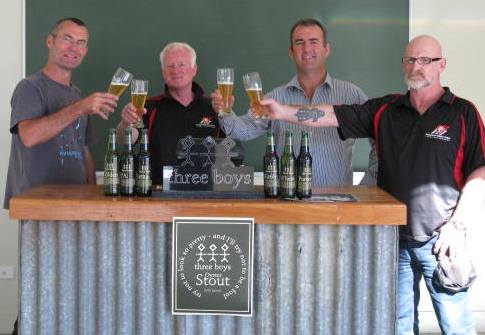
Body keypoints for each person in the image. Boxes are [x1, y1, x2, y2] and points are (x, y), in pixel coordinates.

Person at [261, 35, 485, 335]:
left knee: (456, 327)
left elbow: (479, 172)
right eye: (409, 60)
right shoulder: (386, 110)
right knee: (397, 326)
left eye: (425, 60)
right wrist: (282, 112)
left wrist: (457, 228)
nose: (416, 66)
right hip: (392, 239)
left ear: (441, 64)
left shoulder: (463, 112)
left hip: (442, 241)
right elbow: (330, 115)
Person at [4, 17, 119, 334]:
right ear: (50, 41)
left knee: (69, 293)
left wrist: (94, 197)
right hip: (41, 208)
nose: (74, 48)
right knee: (40, 294)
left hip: (76, 207)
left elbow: (84, 152)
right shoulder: (31, 87)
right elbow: (28, 135)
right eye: (67, 39)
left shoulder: (77, 93)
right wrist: (80, 108)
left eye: (81, 42)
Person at [211, 18, 377, 186]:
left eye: (314, 42)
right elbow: (243, 131)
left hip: (338, 205)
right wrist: (225, 112)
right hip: (288, 203)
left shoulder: (351, 95)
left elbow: (381, 136)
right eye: (299, 43)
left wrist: (369, 183)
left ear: (327, 49)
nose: (307, 49)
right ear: (291, 52)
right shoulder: (276, 98)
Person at [118, 42, 223, 185]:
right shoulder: (147, 106)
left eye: (181, 64)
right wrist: (126, 122)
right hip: (159, 196)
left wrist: (227, 114)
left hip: (206, 194)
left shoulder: (214, 106)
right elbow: (125, 140)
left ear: (194, 69)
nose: (175, 70)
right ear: (163, 72)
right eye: (170, 66)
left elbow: (230, 150)